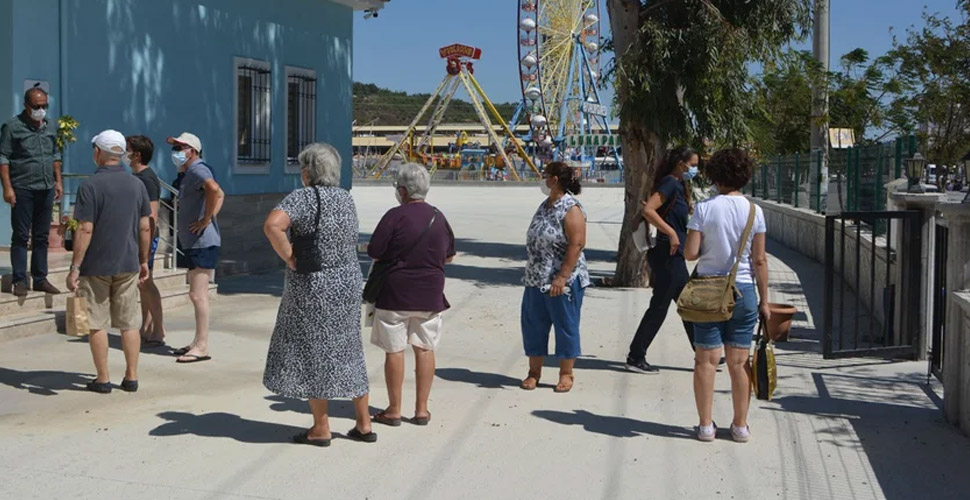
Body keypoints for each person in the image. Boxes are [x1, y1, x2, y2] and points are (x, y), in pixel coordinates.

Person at [262, 143, 375, 446]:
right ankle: (364, 424)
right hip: (348, 282)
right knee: (349, 348)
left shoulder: (303, 198)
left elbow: (273, 225)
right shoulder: (346, 199)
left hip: (314, 286)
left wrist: (289, 257)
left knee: (314, 352)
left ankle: (321, 427)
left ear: (309, 171)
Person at [683, 148, 769, 443]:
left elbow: (691, 253)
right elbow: (759, 261)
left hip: (709, 290)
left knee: (706, 361)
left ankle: (706, 426)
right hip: (744, 291)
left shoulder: (704, 209)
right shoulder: (755, 212)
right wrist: (765, 301)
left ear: (714, 175)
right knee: (738, 362)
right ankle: (740, 426)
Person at [367, 163, 455, 427]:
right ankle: (422, 410)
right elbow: (449, 255)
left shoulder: (395, 216)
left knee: (394, 351)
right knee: (425, 349)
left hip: (395, 293)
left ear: (403, 191)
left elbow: (375, 251)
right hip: (430, 294)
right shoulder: (439, 217)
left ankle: (394, 410)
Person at [65, 130, 152, 394]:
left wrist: (74, 267)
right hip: (128, 263)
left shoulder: (90, 186)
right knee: (129, 323)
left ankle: (103, 379)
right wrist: (144, 260)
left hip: (96, 267)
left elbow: (85, 228)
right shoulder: (137, 185)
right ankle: (131, 377)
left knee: (96, 322)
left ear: (98, 153)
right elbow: (145, 227)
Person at [625, 146, 699, 374]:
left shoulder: (677, 185)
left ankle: (704, 351)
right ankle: (636, 356)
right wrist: (672, 232)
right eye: (693, 164)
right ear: (681, 163)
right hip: (667, 253)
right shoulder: (670, 183)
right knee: (660, 307)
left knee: (687, 305)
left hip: (673, 254)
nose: (695, 169)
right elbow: (649, 210)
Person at [520, 161, 588, 393]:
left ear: (555, 180)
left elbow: (576, 243)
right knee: (533, 326)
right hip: (536, 278)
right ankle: (533, 373)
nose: (542, 179)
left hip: (562, 280)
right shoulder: (546, 205)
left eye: (545, 175)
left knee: (565, 326)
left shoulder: (571, 208)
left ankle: (566, 374)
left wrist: (562, 277)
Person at [0, 87, 63, 296]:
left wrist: (58, 182)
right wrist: (7, 188)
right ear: (26, 106)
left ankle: (40, 278)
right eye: (37, 106)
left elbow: (55, 155)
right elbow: (4, 158)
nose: (41, 110)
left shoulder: (51, 126)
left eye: (45, 106)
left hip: (45, 187)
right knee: (20, 235)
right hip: (23, 188)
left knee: (42, 236)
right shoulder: (12, 127)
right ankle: (19, 279)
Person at [168, 132, 224, 364]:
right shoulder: (190, 172)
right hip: (196, 241)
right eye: (176, 147)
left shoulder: (197, 169)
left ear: (192, 151)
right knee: (196, 294)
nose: (176, 152)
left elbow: (213, 189)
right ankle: (197, 342)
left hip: (202, 242)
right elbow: (220, 193)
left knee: (198, 295)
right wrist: (209, 216)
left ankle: (202, 346)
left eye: (181, 147)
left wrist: (207, 218)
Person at [124, 135, 165, 347]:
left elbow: (152, 215)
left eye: (127, 149)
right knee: (142, 285)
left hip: (146, 238)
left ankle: (158, 329)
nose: (124, 153)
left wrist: (145, 248)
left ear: (137, 154)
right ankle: (147, 327)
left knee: (147, 283)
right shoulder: (137, 177)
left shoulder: (146, 179)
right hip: (137, 237)